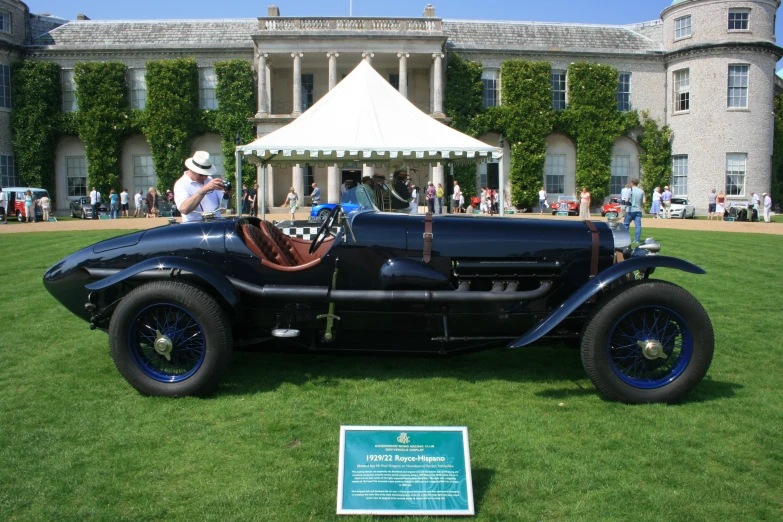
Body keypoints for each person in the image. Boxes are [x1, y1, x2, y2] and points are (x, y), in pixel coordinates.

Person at [174, 151, 225, 223]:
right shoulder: (181, 184)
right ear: (191, 169)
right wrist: (204, 190)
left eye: (207, 174)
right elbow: (184, 209)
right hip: (195, 230)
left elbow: (224, 208)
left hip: (215, 227)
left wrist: (227, 194)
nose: (205, 177)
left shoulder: (210, 180)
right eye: (201, 174)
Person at [623, 178, 646, 244]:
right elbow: (644, 201)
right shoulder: (641, 191)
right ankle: (636, 240)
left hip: (630, 210)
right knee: (638, 226)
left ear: (632, 183)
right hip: (638, 210)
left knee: (626, 225)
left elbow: (626, 200)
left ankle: (626, 239)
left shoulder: (629, 190)